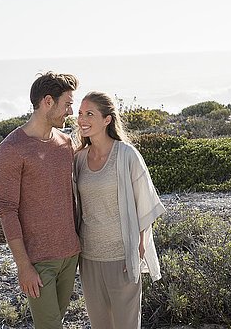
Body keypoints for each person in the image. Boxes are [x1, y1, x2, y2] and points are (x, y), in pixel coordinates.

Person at [0, 71, 81, 329]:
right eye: (67, 104)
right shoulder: (11, 150)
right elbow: (7, 211)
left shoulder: (66, 144)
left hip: (70, 254)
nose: (70, 111)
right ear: (47, 102)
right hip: (40, 261)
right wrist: (24, 266)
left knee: (57, 322)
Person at [74, 91, 166, 329]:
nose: (82, 119)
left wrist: (139, 247)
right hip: (89, 257)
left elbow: (146, 203)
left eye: (90, 114)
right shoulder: (79, 158)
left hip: (121, 257)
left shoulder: (126, 155)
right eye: (80, 113)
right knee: (100, 325)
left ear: (107, 119)